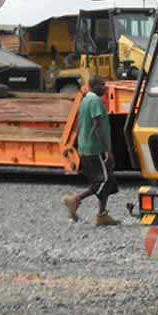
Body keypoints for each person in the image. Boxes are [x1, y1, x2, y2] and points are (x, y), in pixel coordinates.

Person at [62, 75, 120, 226]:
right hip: (95, 148)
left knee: (109, 181)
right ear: (95, 86)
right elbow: (98, 127)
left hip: (86, 147)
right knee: (103, 180)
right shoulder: (95, 101)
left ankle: (102, 215)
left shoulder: (85, 100)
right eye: (103, 84)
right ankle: (74, 200)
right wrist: (108, 150)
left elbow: (81, 124)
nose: (105, 87)